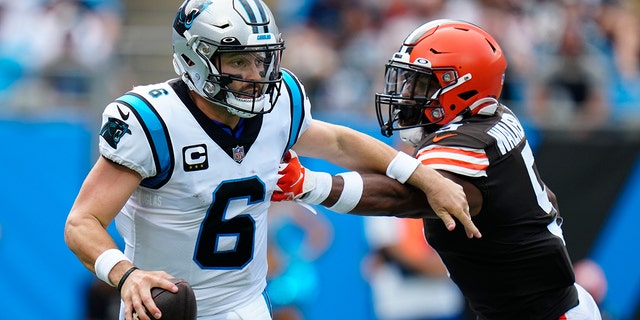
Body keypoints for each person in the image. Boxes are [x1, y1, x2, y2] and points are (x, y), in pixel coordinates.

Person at [63, 2, 480, 320]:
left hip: (246, 305)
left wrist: (422, 175)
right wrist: (126, 274)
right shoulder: (153, 122)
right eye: (238, 60)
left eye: (261, 58)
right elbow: (82, 222)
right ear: (195, 58)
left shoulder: (279, 104)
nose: (255, 73)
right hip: (166, 309)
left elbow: (336, 141)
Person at [273, 19, 602, 319]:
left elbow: (405, 196)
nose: (405, 95)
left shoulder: (466, 143)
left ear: (461, 86)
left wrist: (310, 184)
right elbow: (547, 198)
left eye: (420, 84)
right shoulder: (493, 118)